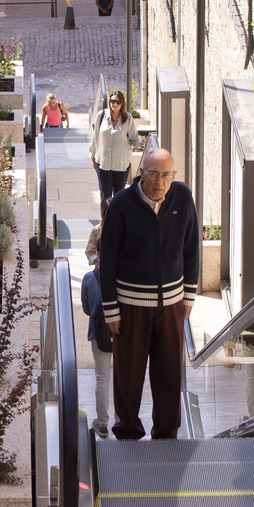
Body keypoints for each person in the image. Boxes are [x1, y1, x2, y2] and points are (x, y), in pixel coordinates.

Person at [100, 147, 199, 440]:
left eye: (166, 175)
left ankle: (166, 433)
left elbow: (191, 249)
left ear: (174, 176)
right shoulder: (121, 204)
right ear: (141, 172)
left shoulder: (182, 197)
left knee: (169, 374)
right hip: (130, 307)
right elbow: (108, 260)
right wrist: (111, 309)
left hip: (171, 305)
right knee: (128, 375)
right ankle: (128, 431)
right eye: (153, 174)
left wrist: (189, 297)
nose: (160, 182)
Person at [90, 89, 141, 204]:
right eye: (113, 101)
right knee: (105, 196)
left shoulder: (127, 118)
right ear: (109, 102)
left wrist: (141, 144)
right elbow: (96, 137)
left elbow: (134, 138)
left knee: (119, 197)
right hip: (103, 163)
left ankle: (117, 221)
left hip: (121, 164)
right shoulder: (101, 116)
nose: (115, 104)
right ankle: (104, 221)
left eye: (118, 102)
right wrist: (92, 156)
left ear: (122, 104)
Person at [82, 266, 113, 438]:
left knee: (102, 378)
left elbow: (87, 310)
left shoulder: (89, 278)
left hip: (98, 334)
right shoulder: (123, 274)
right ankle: (122, 421)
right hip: (122, 335)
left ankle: (102, 424)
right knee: (123, 378)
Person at [85, 199, 111, 267]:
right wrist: (101, 261)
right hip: (101, 270)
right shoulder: (96, 230)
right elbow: (89, 252)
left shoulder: (125, 230)